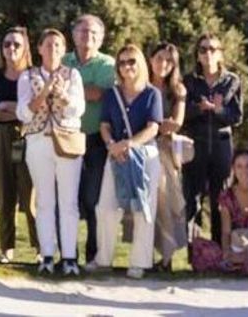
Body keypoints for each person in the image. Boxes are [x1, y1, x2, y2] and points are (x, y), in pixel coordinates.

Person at [89, 44, 163, 279]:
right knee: (106, 208)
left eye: (131, 61)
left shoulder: (152, 93)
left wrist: (130, 144)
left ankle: (139, 262)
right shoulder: (112, 94)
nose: (127, 66)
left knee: (143, 209)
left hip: (143, 156)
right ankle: (103, 258)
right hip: (115, 154)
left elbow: (153, 127)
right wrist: (112, 145)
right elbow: (104, 125)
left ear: (140, 63)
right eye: (121, 62)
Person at [18, 28, 86, 276]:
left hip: (66, 141)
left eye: (58, 45)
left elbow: (78, 109)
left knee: (68, 202)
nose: (53, 50)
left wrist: (63, 95)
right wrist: (46, 90)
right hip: (38, 141)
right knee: (45, 201)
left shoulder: (72, 75)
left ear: (64, 50)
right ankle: (47, 254)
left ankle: (69, 257)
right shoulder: (28, 76)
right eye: (48, 45)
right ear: (39, 49)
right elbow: (23, 112)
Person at [63, 14, 115, 265]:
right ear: (74, 35)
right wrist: (84, 90)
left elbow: (99, 94)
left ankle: (93, 254)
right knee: (67, 197)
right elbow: (89, 92)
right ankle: (66, 253)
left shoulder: (108, 65)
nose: (88, 37)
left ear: (101, 38)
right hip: (66, 137)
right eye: (83, 31)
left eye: (94, 33)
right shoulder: (64, 60)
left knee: (93, 198)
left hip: (95, 139)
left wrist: (69, 89)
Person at [182, 33, 243, 244]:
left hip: (221, 145)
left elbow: (237, 116)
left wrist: (218, 111)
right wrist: (199, 109)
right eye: (203, 49)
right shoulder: (189, 81)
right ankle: (195, 253)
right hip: (196, 143)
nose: (208, 53)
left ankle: (220, 249)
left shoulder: (232, 81)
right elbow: (182, 115)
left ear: (220, 54)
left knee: (221, 198)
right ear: (197, 56)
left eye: (213, 49)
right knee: (193, 199)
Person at [0, 26, 39, 263]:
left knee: (30, 195)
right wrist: (16, 109)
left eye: (16, 44)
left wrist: (10, 108)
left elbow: (31, 112)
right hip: (1, 137)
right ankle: (6, 248)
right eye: (7, 43)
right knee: (5, 194)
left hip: (28, 137)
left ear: (25, 49)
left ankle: (41, 249)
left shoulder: (33, 76)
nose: (11, 48)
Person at [150, 42, 191, 270]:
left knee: (166, 203)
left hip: (165, 152)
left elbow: (176, 123)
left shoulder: (178, 90)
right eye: (159, 58)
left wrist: (151, 125)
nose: (163, 64)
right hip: (141, 148)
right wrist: (157, 125)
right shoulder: (141, 83)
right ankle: (143, 254)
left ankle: (166, 258)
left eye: (168, 60)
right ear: (151, 58)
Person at [189, 149, 248, 275]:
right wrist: (227, 253)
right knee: (200, 247)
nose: (244, 171)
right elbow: (226, 232)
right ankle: (239, 264)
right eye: (239, 166)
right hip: (237, 244)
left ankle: (245, 265)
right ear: (234, 170)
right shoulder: (227, 196)